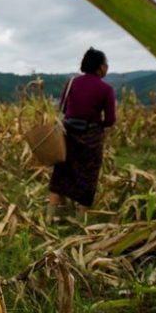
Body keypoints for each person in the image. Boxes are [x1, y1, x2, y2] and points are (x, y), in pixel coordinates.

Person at [48, 47, 116, 217]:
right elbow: (110, 120)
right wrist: (95, 123)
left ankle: (51, 217)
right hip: (91, 137)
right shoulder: (106, 89)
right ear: (100, 66)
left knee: (61, 175)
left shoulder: (72, 82)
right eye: (106, 64)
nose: (107, 67)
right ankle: (81, 222)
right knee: (88, 176)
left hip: (68, 135)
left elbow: (62, 109)